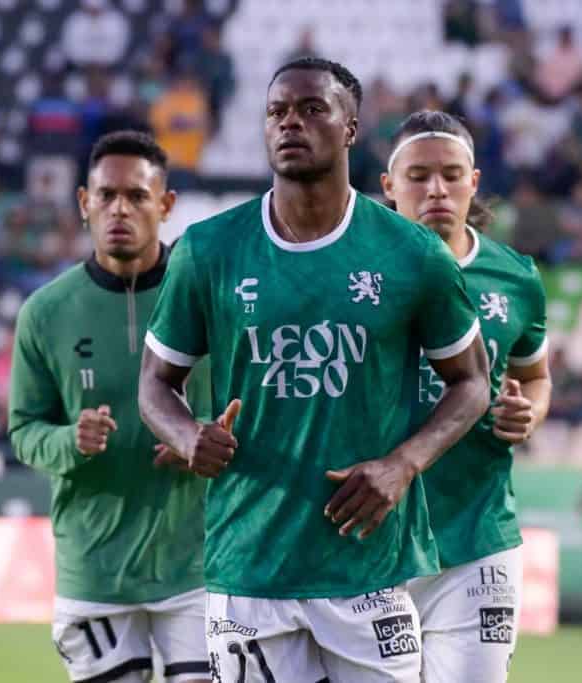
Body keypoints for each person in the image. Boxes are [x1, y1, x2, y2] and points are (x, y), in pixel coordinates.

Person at [139, 58, 490, 682]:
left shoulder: (413, 256)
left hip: (368, 567)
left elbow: (471, 382)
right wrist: (187, 434)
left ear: (351, 128)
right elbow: (154, 384)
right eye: (276, 112)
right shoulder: (209, 249)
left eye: (311, 109)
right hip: (249, 567)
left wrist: (403, 464)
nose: (290, 123)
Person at [8, 132, 213, 683]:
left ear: (166, 205)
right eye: (106, 196)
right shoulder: (45, 313)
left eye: (138, 196)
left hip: (199, 561)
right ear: (84, 203)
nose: (120, 208)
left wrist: (206, 438)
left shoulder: (208, 297)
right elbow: (24, 430)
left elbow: (249, 409)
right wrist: (69, 440)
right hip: (94, 570)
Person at [381, 110, 551, 682]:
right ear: (388, 186)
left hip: (478, 540)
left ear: (474, 181)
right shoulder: (356, 271)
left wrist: (528, 414)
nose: (436, 189)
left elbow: (535, 378)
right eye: (419, 175)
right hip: (372, 539)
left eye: (452, 174)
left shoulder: (516, 277)